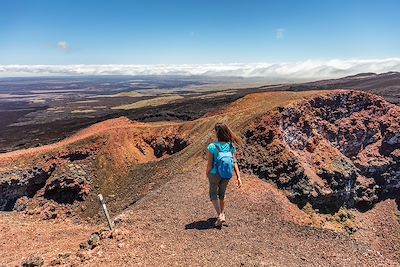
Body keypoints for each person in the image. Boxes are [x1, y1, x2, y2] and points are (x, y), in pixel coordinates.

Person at [206, 122, 242, 227]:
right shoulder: (231, 145)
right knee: (222, 194)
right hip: (227, 174)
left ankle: (220, 215)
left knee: (213, 194)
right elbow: (234, 161)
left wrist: (207, 173)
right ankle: (222, 213)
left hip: (214, 174)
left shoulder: (212, 147)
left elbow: (209, 164)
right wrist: (238, 177)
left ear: (217, 132)